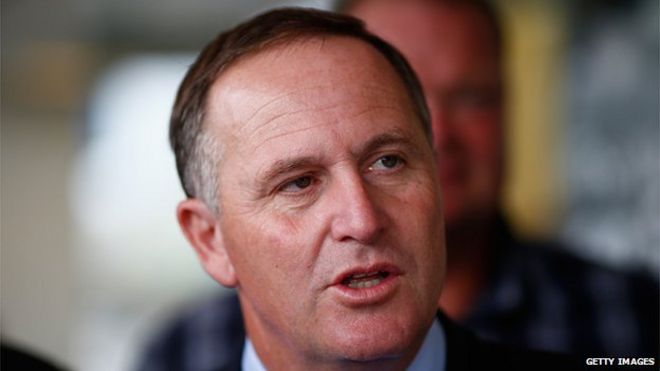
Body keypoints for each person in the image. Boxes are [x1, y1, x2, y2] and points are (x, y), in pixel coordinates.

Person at [137, 7, 580, 371]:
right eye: (299, 183)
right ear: (210, 239)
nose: (363, 220)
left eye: (388, 162)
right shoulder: (174, 352)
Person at [342, 0, 658, 357]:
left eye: (470, 98)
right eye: (399, 98)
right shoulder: (284, 329)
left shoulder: (631, 318)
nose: (439, 133)